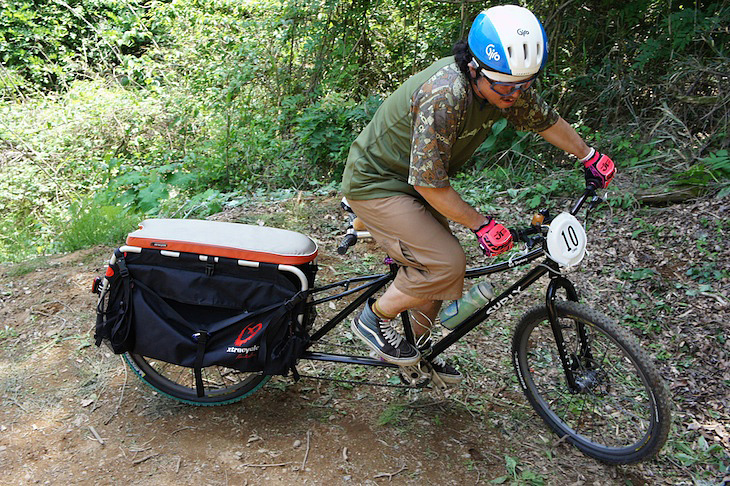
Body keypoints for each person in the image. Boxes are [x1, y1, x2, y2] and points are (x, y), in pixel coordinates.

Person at [340, 5, 615, 384]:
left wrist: (588, 155)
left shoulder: (506, 85)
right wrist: (481, 224)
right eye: (506, 85)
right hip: (378, 183)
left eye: (525, 84)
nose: (515, 94)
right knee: (446, 262)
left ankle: (411, 355)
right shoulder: (446, 95)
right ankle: (373, 319)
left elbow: (545, 120)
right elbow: (428, 184)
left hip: (418, 180)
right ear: (473, 67)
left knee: (435, 275)